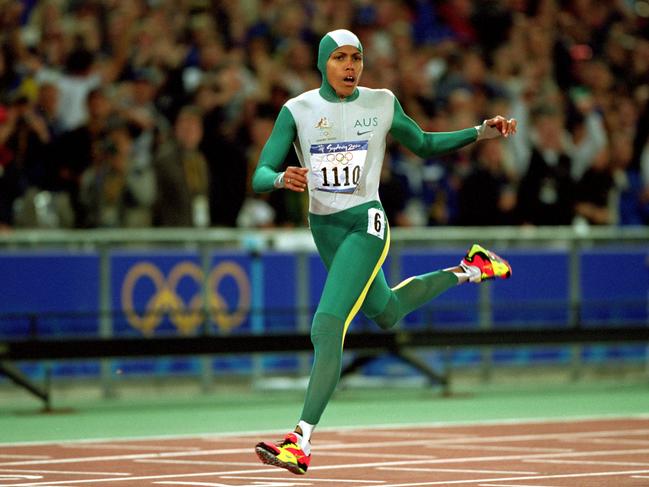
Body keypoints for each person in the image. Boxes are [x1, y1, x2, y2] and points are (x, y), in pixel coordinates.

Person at [252, 29, 516, 475]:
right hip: (325, 229)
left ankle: (300, 440)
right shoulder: (296, 110)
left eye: (357, 58)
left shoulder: (381, 103)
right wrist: (281, 179)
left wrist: (480, 133)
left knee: (327, 325)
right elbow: (260, 172)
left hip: (365, 224)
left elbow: (425, 144)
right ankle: (472, 268)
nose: (350, 66)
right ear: (323, 64)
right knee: (388, 311)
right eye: (340, 58)